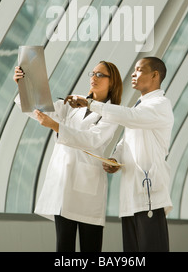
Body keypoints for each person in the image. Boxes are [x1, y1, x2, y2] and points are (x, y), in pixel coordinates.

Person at [65, 56, 174, 252]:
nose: (133, 74)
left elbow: (131, 118)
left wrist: (90, 104)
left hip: (149, 197)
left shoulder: (160, 104)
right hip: (131, 198)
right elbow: (127, 140)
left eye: (139, 70)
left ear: (155, 75)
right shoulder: (140, 105)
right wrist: (115, 158)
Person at [13, 60, 122, 252]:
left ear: (112, 82)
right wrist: (23, 85)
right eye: (93, 73)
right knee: (63, 247)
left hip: (88, 187)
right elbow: (39, 109)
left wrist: (55, 126)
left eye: (100, 75)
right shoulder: (72, 104)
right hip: (64, 185)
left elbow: (92, 140)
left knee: (91, 248)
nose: (93, 78)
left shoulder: (112, 113)